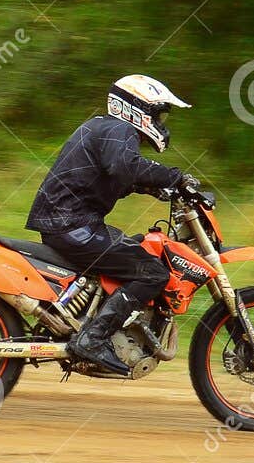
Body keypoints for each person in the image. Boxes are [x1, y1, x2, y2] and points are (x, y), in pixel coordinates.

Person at [27, 75, 200, 374]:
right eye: (157, 115)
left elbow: (116, 177)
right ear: (136, 108)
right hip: (71, 225)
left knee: (133, 248)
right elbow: (125, 167)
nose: (160, 123)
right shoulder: (118, 129)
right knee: (153, 274)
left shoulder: (105, 129)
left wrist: (153, 188)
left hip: (69, 221)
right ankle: (93, 339)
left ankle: (88, 321)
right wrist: (176, 178)